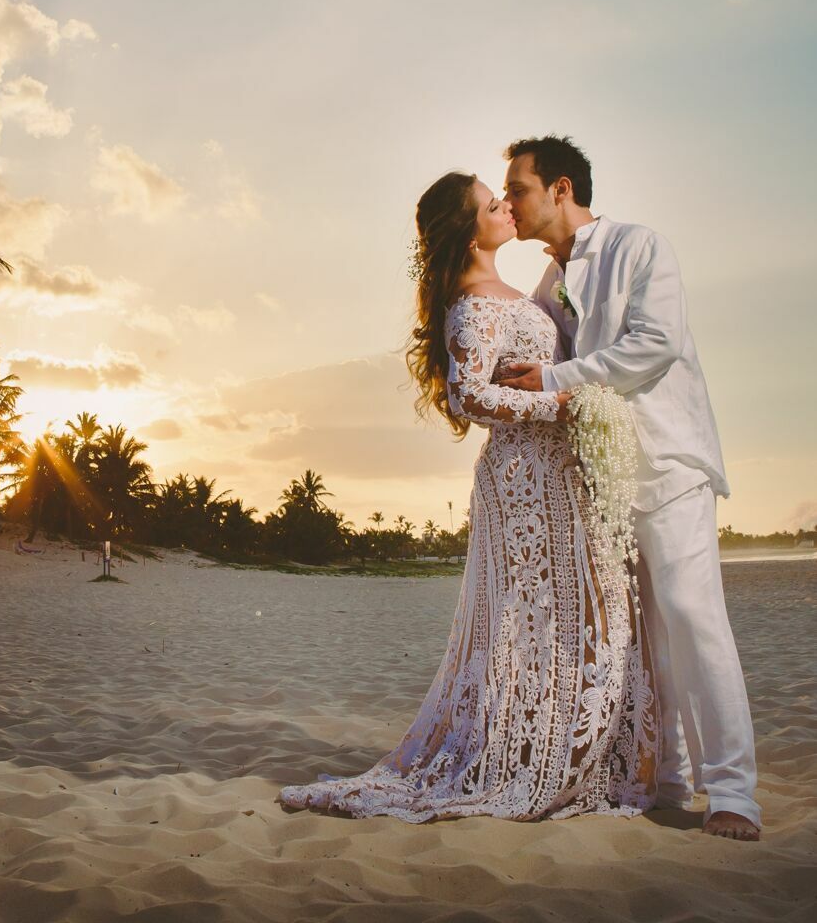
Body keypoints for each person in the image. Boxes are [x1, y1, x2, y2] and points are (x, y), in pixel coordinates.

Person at [277, 170, 658, 822]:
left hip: (557, 473)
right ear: (468, 229)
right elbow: (470, 396)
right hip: (520, 479)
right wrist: (558, 406)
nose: (505, 206)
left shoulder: (518, 289)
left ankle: (579, 751)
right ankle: (526, 755)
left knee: (575, 612)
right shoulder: (472, 301)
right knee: (532, 617)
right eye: (491, 204)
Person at [498, 134, 761, 841]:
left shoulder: (640, 246)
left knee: (689, 614)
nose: (507, 204)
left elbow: (656, 343)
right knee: (643, 637)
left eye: (516, 189)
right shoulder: (546, 288)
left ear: (559, 188)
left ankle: (733, 791)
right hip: (600, 481)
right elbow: (527, 353)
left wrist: (553, 380)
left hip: (668, 463)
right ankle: (668, 778)